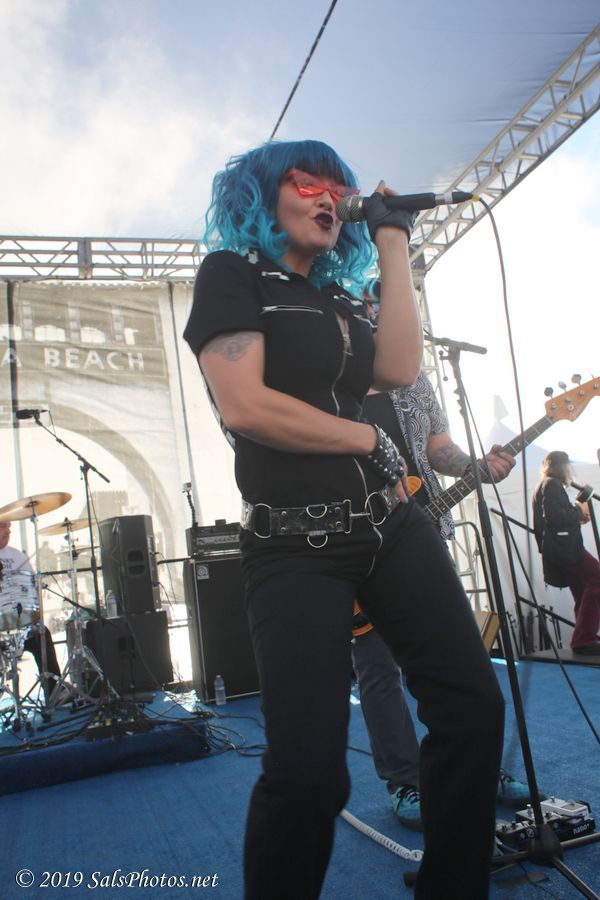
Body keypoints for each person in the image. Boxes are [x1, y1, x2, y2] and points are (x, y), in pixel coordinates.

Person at [184, 139, 505, 900]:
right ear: (263, 194)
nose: (330, 197)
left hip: (390, 526)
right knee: (307, 775)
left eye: (339, 188)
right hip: (293, 543)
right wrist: (364, 438)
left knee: (472, 708)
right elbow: (245, 405)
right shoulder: (231, 275)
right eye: (309, 183)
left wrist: (392, 240)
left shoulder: (335, 298)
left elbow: (397, 368)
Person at [353, 373, 536, 831]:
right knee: (379, 669)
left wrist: (475, 464)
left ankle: (477, 765)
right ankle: (405, 780)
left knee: (458, 661)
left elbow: (439, 448)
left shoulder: (413, 379)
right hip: (358, 542)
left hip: (424, 533)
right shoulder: (332, 372)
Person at [532, 450, 600, 655]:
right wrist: (579, 512)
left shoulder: (544, 485)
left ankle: (584, 637)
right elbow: (554, 516)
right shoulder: (552, 484)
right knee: (596, 579)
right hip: (566, 548)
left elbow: (551, 517)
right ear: (561, 467)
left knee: (582, 591)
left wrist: (576, 515)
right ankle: (583, 639)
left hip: (559, 549)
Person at [0, 520, 63, 697]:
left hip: (20, 623)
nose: (8, 531)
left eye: (9, 527)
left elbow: (32, 588)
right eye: (2, 526)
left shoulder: (17, 555)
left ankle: (54, 692)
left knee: (42, 634)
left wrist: (37, 616)